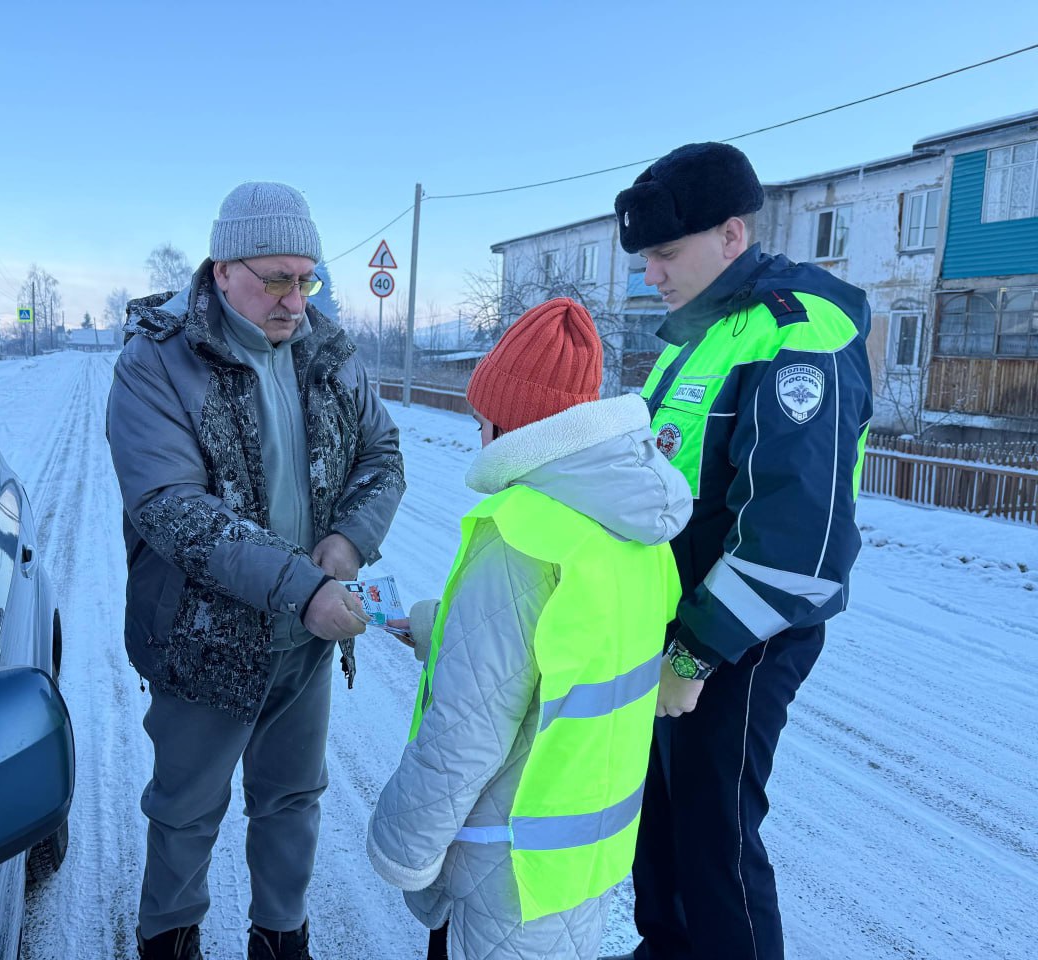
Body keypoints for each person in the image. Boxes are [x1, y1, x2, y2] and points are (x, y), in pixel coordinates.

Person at [107, 181, 406, 960]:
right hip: (202, 644)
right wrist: (306, 588)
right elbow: (173, 508)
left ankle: (282, 940)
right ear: (222, 268)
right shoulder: (159, 361)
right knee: (185, 811)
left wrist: (343, 544)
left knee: (293, 803)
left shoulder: (326, 348)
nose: (295, 300)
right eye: (277, 277)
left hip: (301, 650)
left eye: (306, 278)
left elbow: (383, 453)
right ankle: (168, 941)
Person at [605, 143, 874, 960]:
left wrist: (695, 656)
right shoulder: (706, 333)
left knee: (716, 829)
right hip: (681, 622)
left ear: (731, 234)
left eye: (665, 253)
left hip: (743, 636)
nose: (651, 273)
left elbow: (800, 537)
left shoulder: (799, 333)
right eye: (646, 256)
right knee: (661, 816)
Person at [367, 298, 693, 959]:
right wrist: (437, 626)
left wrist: (401, 848)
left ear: (508, 424)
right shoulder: (630, 528)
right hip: (584, 849)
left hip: (503, 859)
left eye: (481, 417)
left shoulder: (522, 533)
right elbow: (567, 651)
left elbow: (468, 726)